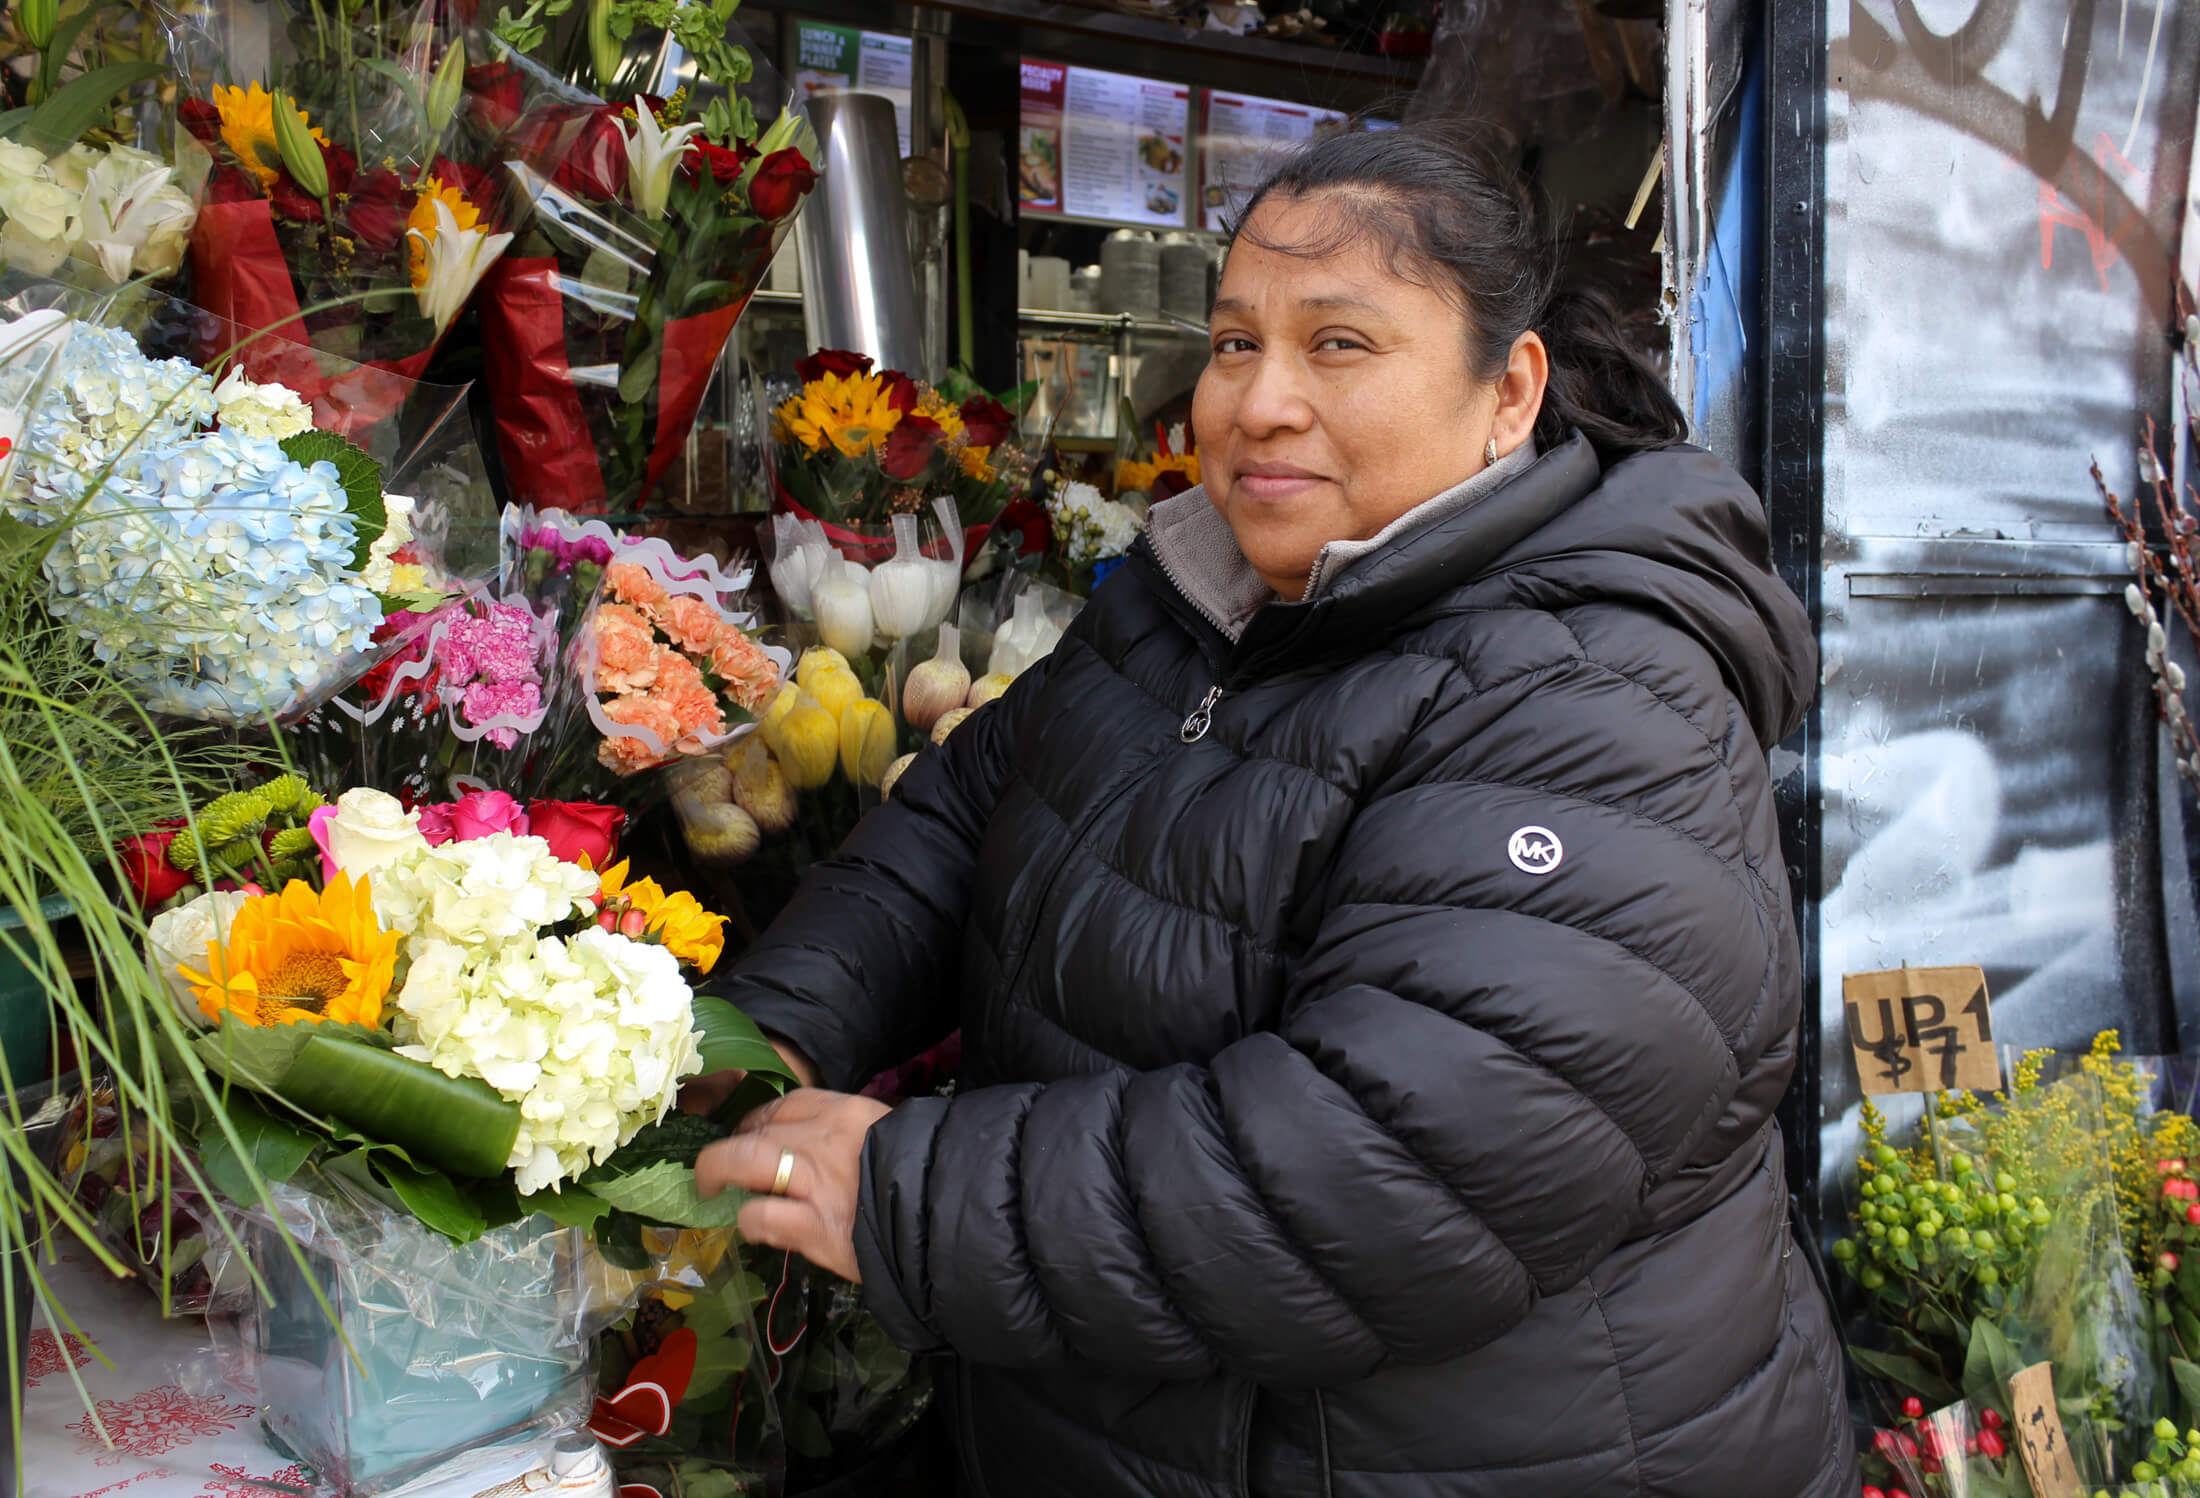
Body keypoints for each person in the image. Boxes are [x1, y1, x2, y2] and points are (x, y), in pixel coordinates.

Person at [694, 124, 1855, 1497]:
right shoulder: (1201, 603)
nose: (1259, 402)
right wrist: (769, 1028)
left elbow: (1390, 1170)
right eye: (1236, 342)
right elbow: (965, 810)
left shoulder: (1601, 702)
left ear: (1512, 390)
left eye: (1340, 345)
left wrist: (898, 1188)